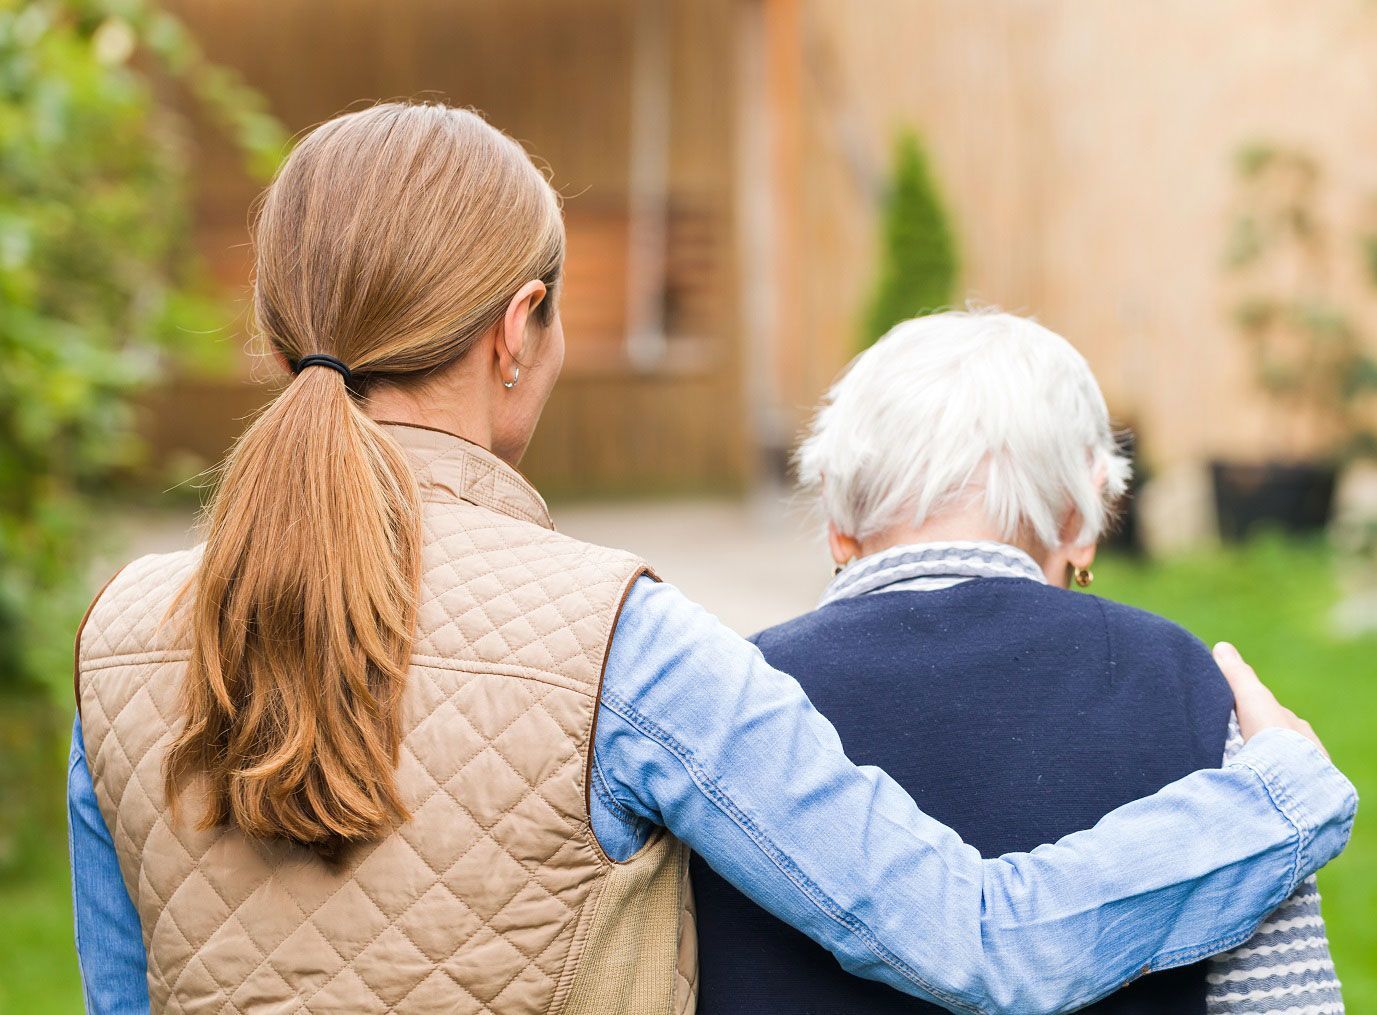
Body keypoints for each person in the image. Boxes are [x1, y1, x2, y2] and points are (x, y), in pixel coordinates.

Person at [68, 103, 1355, 1015]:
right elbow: (977, 941)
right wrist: (1275, 800)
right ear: (522, 331)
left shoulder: (117, 637)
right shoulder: (617, 641)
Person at [691, 311, 1346, 1014]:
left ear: (835, 517)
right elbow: (1280, 995)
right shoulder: (1186, 683)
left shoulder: (728, 698)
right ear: (1082, 517)